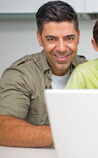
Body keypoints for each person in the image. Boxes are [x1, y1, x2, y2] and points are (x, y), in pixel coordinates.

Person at [0, 1, 87, 147]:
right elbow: (3, 128)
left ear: (78, 36)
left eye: (69, 38)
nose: (61, 48)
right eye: (51, 39)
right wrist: (64, 134)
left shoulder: (90, 70)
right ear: (40, 38)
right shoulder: (20, 74)